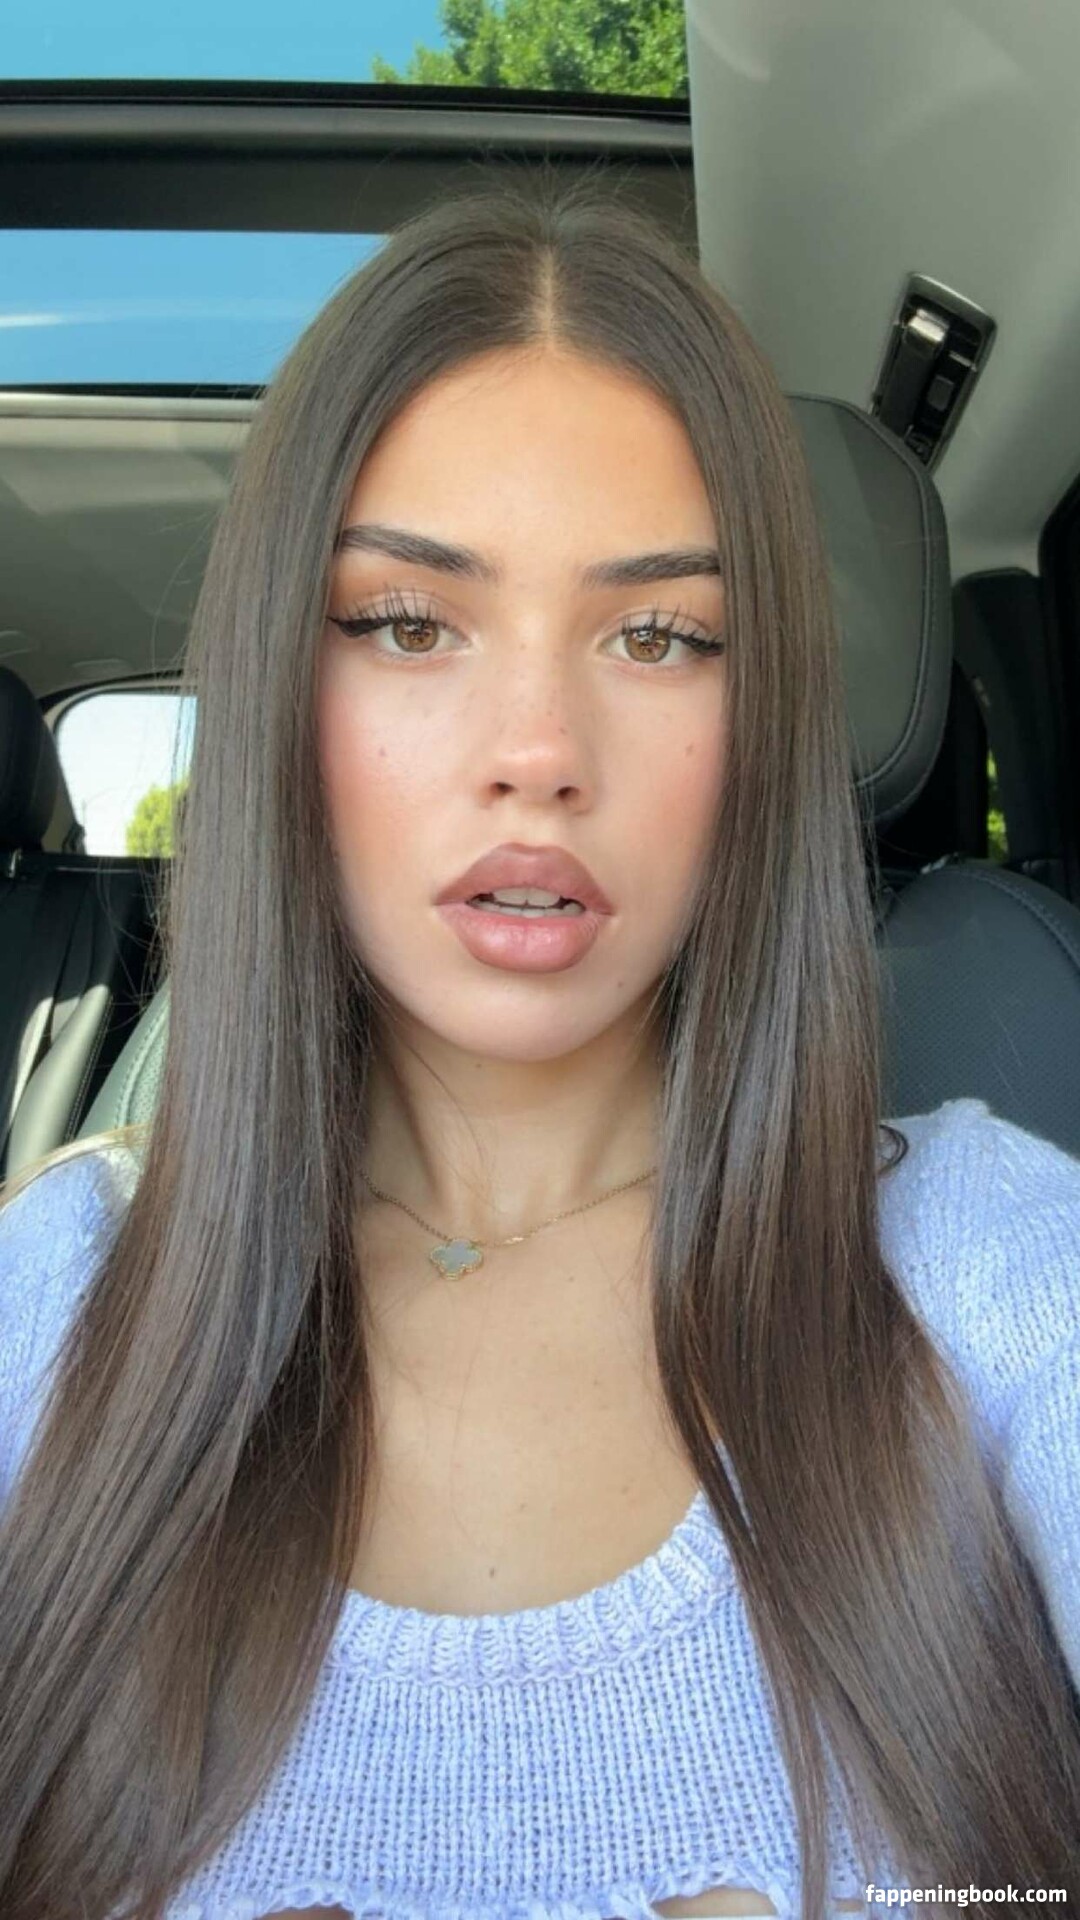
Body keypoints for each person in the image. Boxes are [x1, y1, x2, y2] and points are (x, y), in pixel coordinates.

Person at [0, 171, 1078, 1920]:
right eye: (409, 623)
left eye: (658, 636)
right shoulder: (48, 1301)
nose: (537, 749)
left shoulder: (1004, 1266)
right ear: (283, 691)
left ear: (761, 717)